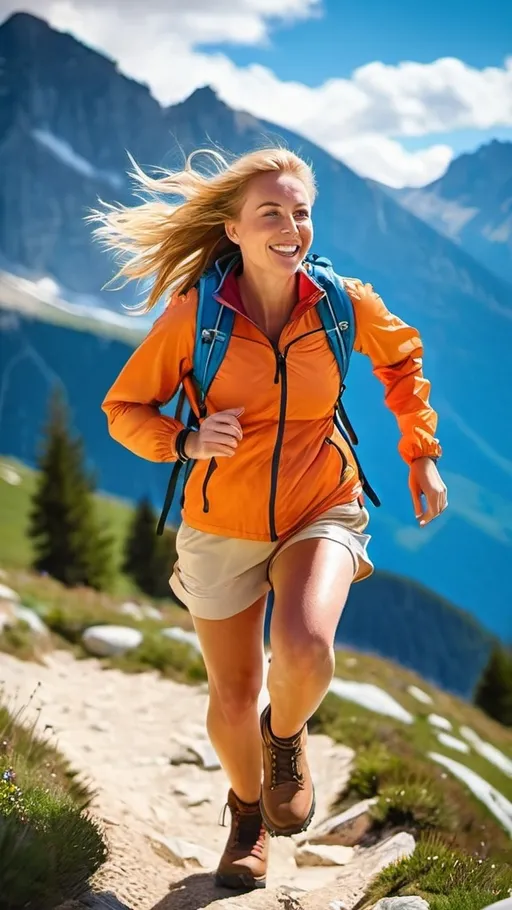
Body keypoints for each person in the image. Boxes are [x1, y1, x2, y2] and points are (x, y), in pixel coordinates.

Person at [94, 146, 448, 892]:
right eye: (271, 214)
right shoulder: (196, 318)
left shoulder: (342, 303)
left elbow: (402, 358)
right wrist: (183, 439)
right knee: (231, 694)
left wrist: (421, 452)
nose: (292, 227)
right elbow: (123, 410)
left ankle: (284, 741)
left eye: (301, 212)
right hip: (222, 519)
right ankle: (248, 814)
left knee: (307, 647)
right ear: (232, 230)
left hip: (322, 500)